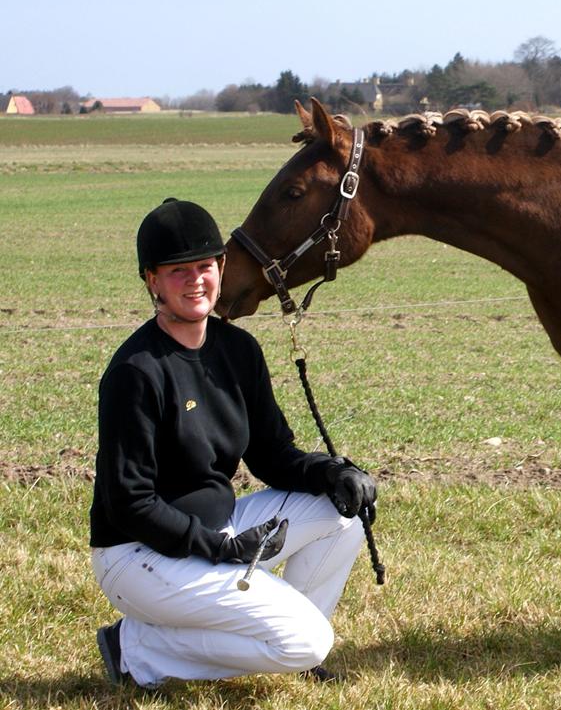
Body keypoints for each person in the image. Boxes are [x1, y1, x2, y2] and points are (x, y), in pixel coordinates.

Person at [90, 198, 378, 688]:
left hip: (220, 531)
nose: (195, 280)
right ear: (151, 280)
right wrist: (217, 550)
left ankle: (287, 646)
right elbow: (129, 504)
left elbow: (271, 453)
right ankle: (137, 650)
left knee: (340, 516)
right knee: (308, 640)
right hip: (139, 556)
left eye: (205, 265)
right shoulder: (136, 373)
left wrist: (333, 471)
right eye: (178, 271)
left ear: (221, 267)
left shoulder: (238, 350)